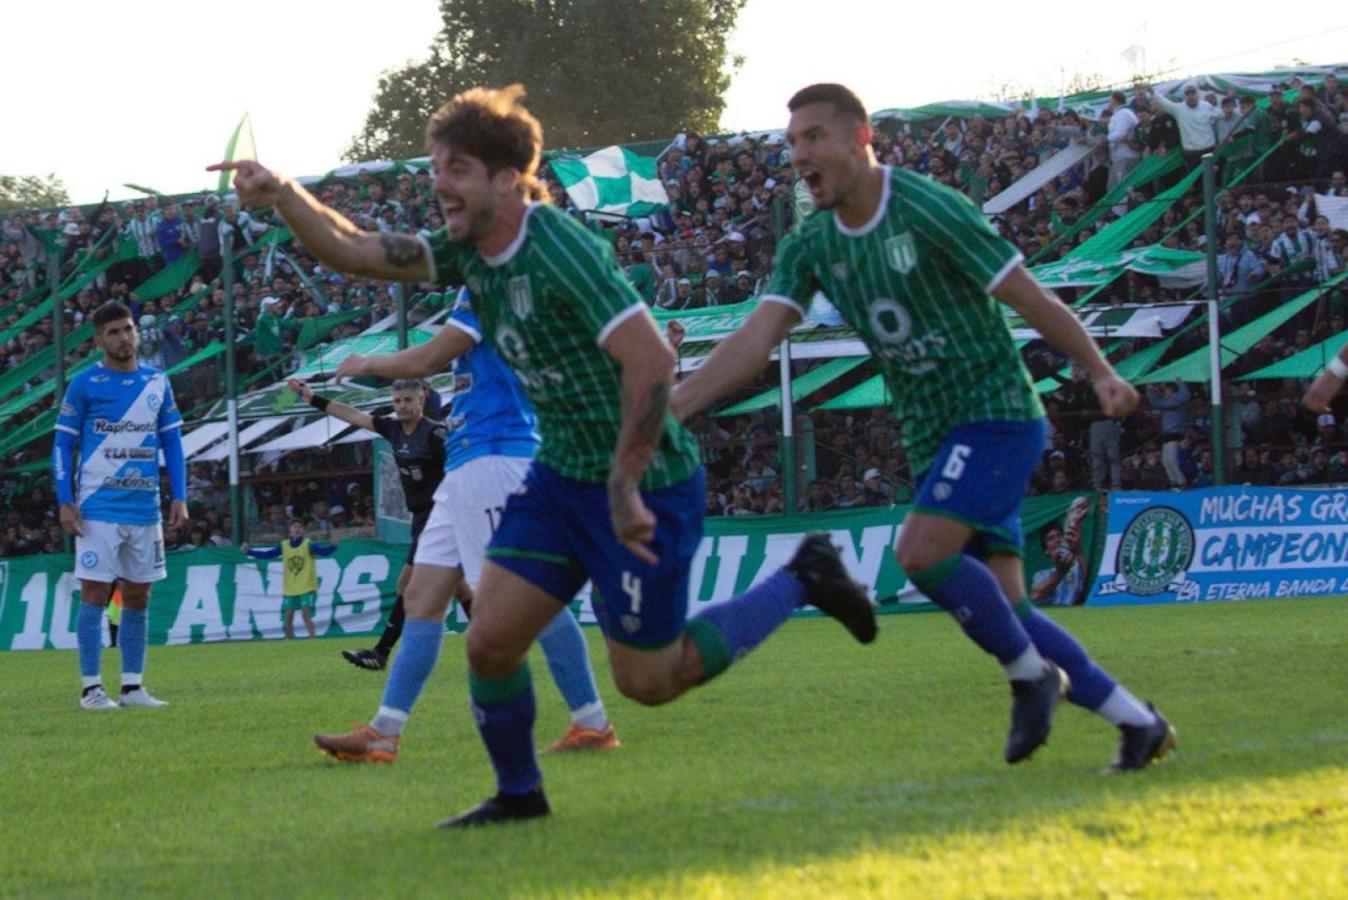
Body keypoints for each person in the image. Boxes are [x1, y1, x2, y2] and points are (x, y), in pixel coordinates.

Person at [212, 83, 875, 827]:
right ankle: (519, 794)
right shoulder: (471, 252)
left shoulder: (561, 251)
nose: (439, 183)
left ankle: (803, 577)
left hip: (646, 481)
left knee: (651, 680)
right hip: (559, 475)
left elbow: (652, 361)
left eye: (457, 169)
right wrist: (283, 193)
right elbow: (359, 252)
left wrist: (624, 482)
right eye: (437, 167)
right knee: (490, 641)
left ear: (506, 179)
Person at [672, 83, 1175, 774]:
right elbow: (755, 340)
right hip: (932, 439)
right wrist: (674, 405)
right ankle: (1137, 723)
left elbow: (1030, 298)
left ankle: (1032, 678)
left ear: (861, 136)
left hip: (996, 415)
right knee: (1011, 612)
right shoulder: (812, 243)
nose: (799, 156)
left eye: (814, 137)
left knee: (919, 553)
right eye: (791, 143)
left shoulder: (928, 208)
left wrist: (1100, 369)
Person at [304, 304, 622, 756]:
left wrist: (368, 362)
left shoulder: (487, 283)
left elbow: (429, 358)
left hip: (493, 457)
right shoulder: (490, 291)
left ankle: (592, 724)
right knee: (421, 596)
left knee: (530, 598)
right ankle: (384, 732)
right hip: (464, 467)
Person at [54, 300, 188, 710]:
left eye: (128, 329)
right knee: (95, 593)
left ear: (137, 332)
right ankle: (91, 689)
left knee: (139, 596)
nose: (123, 337)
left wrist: (180, 495)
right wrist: (65, 501)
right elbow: (62, 444)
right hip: (98, 508)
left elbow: (172, 442)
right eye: (113, 332)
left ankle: (132, 687)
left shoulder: (157, 382)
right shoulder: (84, 384)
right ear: (99, 341)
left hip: (144, 508)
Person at [284, 377, 454, 669]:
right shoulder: (393, 428)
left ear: (421, 400)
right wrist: (313, 398)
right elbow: (353, 415)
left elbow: (461, 470)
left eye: (407, 400)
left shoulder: (435, 434)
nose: (401, 406)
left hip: (439, 516)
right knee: (458, 587)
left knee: (407, 584)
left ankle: (381, 652)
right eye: (397, 401)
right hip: (422, 517)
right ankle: (496, 643)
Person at [242, 519, 337, 639]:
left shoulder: (308, 544)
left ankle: (313, 639)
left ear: (302, 530)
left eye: (300, 527)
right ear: (290, 531)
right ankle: (290, 640)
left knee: (305, 615)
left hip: (305, 585)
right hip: (290, 587)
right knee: (288, 616)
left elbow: (323, 552)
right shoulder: (284, 545)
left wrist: (333, 546)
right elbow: (267, 554)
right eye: (295, 527)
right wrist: (249, 552)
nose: (297, 529)